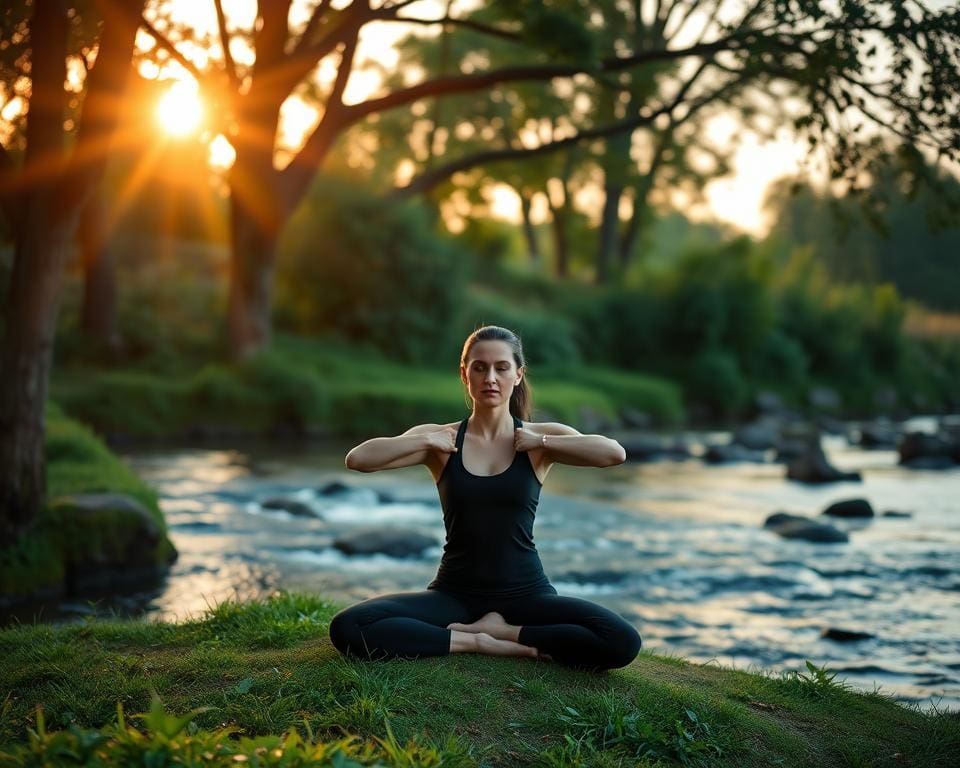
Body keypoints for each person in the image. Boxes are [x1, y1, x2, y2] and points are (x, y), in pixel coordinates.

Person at [328, 325, 641, 671]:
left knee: (622, 641)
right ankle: (475, 639)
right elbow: (357, 459)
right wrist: (426, 442)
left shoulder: (539, 440)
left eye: (501, 368)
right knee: (348, 626)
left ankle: (507, 632)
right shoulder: (441, 440)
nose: (490, 377)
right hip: (453, 595)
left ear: (518, 375)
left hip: (526, 593)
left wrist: (542, 443)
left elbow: (614, 453)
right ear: (465, 374)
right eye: (479, 367)